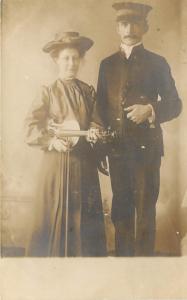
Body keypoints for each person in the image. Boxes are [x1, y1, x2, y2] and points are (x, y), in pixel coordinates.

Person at [93, 2, 182, 256]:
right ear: (117, 28)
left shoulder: (158, 63)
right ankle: (123, 272)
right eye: (123, 23)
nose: (129, 28)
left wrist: (150, 109)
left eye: (134, 23)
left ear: (145, 27)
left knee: (144, 210)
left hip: (147, 150)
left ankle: (144, 276)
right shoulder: (106, 65)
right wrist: (101, 149)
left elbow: (175, 104)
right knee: (121, 210)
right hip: (117, 150)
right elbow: (100, 109)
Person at [24, 31, 107, 257]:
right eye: (66, 58)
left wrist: (94, 134)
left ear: (81, 60)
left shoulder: (89, 92)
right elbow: (30, 127)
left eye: (75, 58)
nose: (71, 63)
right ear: (56, 60)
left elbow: (97, 122)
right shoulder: (48, 92)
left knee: (85, 224)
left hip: (84, 167)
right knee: (55, 218)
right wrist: (51, 141)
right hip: (56, 166)